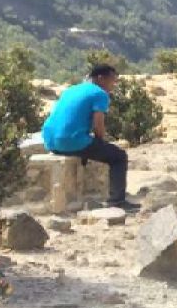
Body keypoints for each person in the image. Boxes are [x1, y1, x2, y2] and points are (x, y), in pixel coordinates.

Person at [41, 64, 138, 211]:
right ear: (100, 78)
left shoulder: (71, 90)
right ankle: (117, 201)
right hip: (70, 141)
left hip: (51, 142)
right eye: (112, 80)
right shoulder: (99, 94)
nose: (114, 84)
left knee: (91, 147)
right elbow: (98, 124)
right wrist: (100, 141)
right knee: (118, 157)